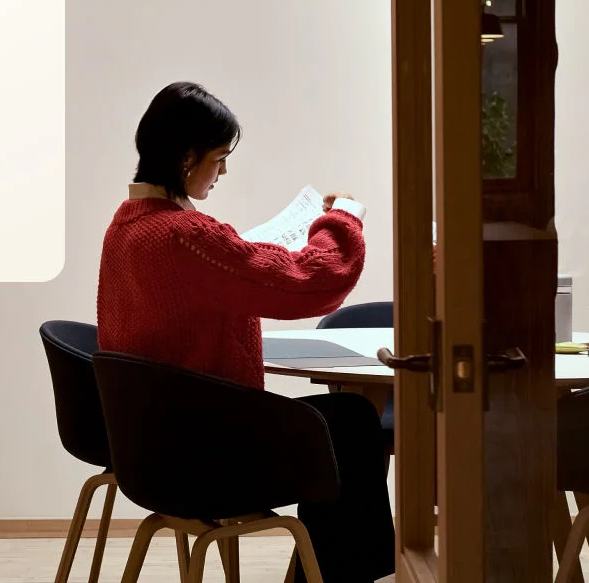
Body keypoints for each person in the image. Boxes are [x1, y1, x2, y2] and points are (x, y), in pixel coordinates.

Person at [96, 81, 395, 583]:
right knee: (350, 423)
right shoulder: (186, 236)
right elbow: (314, 282)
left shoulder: (125, 227)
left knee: (341, 421)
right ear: (187, 157)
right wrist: (343, 217)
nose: (223, 172)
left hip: (155, 451)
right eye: (219, 158)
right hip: (208, 455)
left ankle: (327, 575)